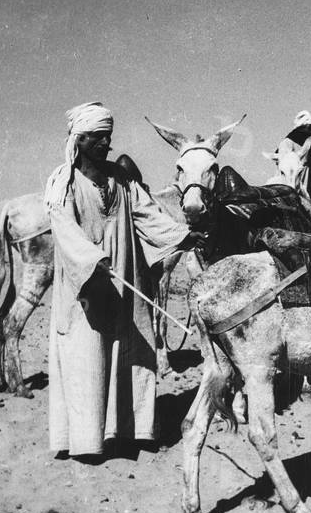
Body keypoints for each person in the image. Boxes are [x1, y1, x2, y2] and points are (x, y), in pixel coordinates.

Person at [45, 102, 204, 461]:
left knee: (133, 351)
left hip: (126, 276)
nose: (106, 144)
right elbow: (64, 228)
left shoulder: (122, 181)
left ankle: (131, 432)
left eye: (108, 138)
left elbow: (147, 214)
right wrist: (92, 260)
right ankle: (87, 442)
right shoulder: (63, 182)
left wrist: (181, 235)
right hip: (85, 284)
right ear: (80, 139)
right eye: (98, 138)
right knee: (87, 356)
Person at [275, 110, 311, 201]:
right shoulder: (288, 143)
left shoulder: (308, 149)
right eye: (309, 127)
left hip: (305, 192)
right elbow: (284, 167)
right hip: (287, 190)